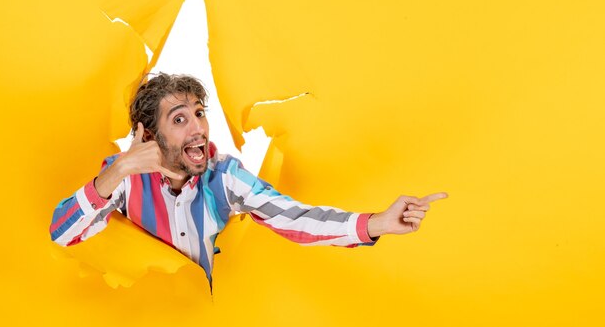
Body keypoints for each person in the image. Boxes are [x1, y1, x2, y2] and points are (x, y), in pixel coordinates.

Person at [50, 73, 448, 285]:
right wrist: (117, 170)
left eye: (200, 113)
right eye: (179, 119)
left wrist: (377, 222)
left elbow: (293, 217)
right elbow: (62, 233)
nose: (198, 129)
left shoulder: (225, 176)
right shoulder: (123, 178)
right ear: (149, 136)